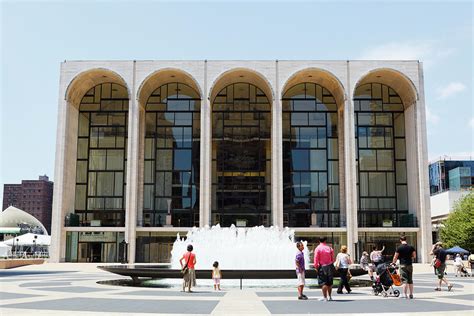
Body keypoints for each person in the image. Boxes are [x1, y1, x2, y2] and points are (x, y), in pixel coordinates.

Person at [314, 236, 335, 301]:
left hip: (322, 266)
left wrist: (316, 266)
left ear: (319, 241)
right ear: (325, 241)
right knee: (329, 282)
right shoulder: (329, 248)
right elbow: (332, 258)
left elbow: (316, 258)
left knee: (323, 282)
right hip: (330, 266)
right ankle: (330, 297)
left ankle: (325, 297)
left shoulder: (318, 248)